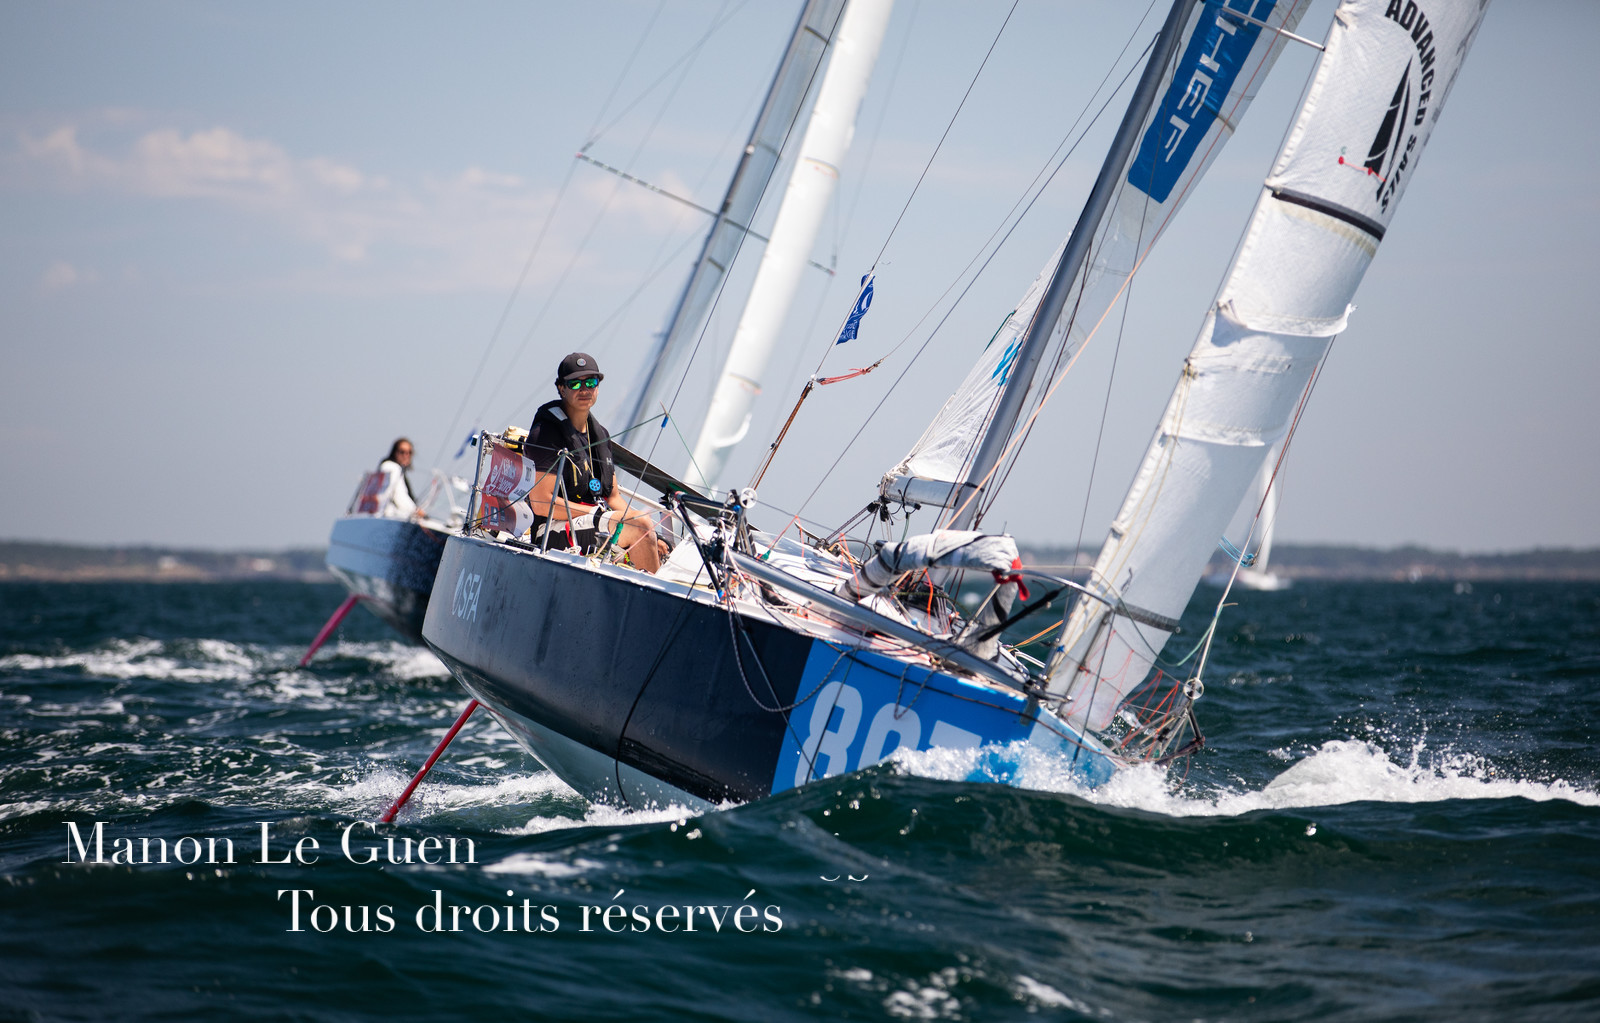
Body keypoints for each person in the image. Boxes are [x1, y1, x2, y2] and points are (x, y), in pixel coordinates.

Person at [523, 352, 662, 573]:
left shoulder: (600, 435)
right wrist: (600, 515)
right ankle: (651, 593)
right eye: (575, 383)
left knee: (654, 536)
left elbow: (613, 498)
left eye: (590, 382)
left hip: (592, 520)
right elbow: (541, 503)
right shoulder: (546, 433)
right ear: (561, 388)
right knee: (639, 526)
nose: (584, 389)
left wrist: (653, 533)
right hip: (552, 530)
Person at [375, 438, 424, 520]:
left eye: (409, 453)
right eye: (402, 452)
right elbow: (399, 495)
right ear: (394, 452)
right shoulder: (392, 467)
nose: (406, 456)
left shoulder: (389, 467)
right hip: (388, 518)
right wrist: (415, 511)